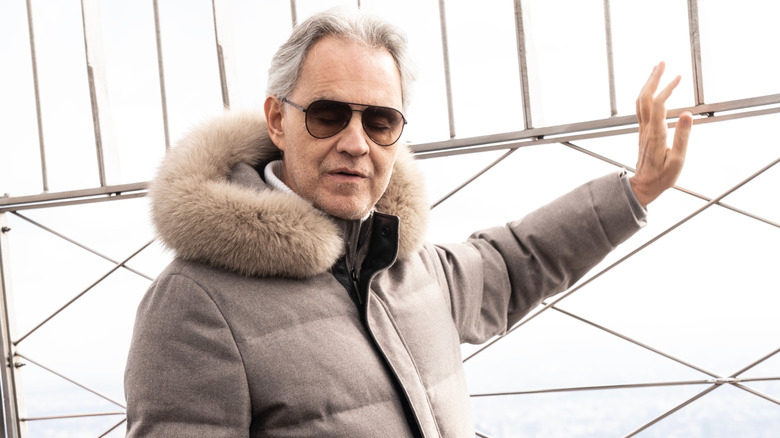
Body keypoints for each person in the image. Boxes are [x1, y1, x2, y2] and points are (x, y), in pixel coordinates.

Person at [124, 8, 692, 438]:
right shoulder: (193, 306)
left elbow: (519, 259)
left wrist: (634, 192)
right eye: (327, 115)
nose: (355, 142)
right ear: (277, 119)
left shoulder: (410, 267)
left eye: (379, 121)